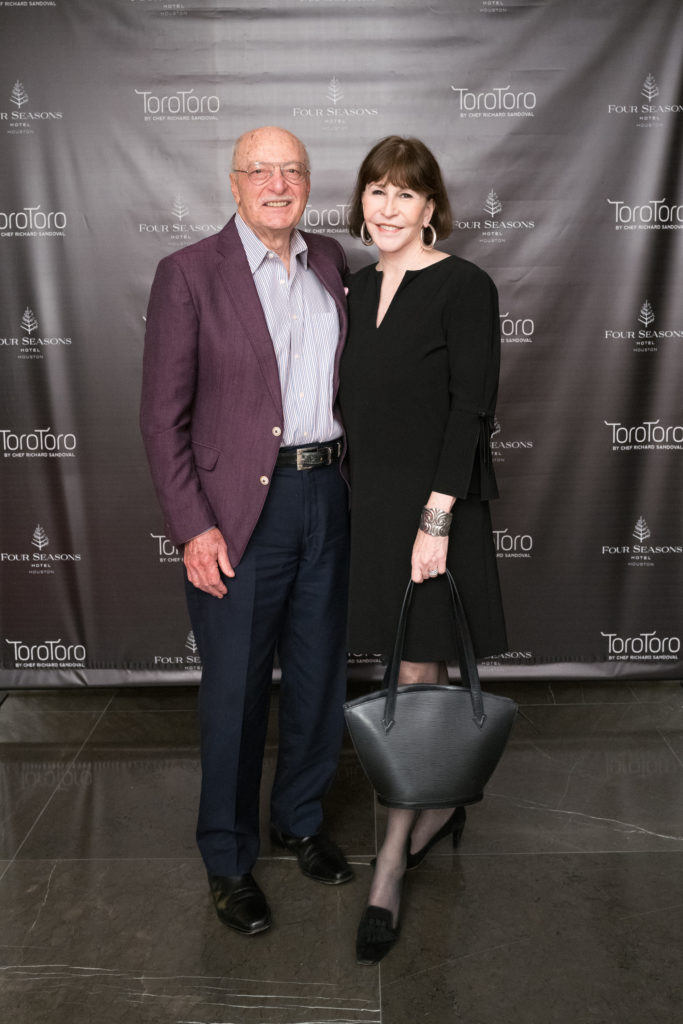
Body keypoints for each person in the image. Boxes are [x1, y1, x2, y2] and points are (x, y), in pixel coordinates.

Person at [140, 126, 353, 937]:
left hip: (325, 496)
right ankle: (228, 860)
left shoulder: (331, 262)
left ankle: (299, 818)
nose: (276, 183)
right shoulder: (189, 274)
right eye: (259, 170)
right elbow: (162, 421)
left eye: (291, 170)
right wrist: (193, 526)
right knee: (233, 692)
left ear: (307, 183)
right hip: (234, 518)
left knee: (316, 676)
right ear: (232, 184)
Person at [339, 135, 507, 964]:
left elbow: (470, 409)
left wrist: (435, 519)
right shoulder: (352, 284)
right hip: (367, 510)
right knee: (403, 666)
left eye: (404, 194)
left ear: (431, 206)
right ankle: (438, 803)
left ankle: (391, 864)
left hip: (433, 512)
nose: (387, 207)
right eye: (375, 191)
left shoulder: (465, 286)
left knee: (414, 673)